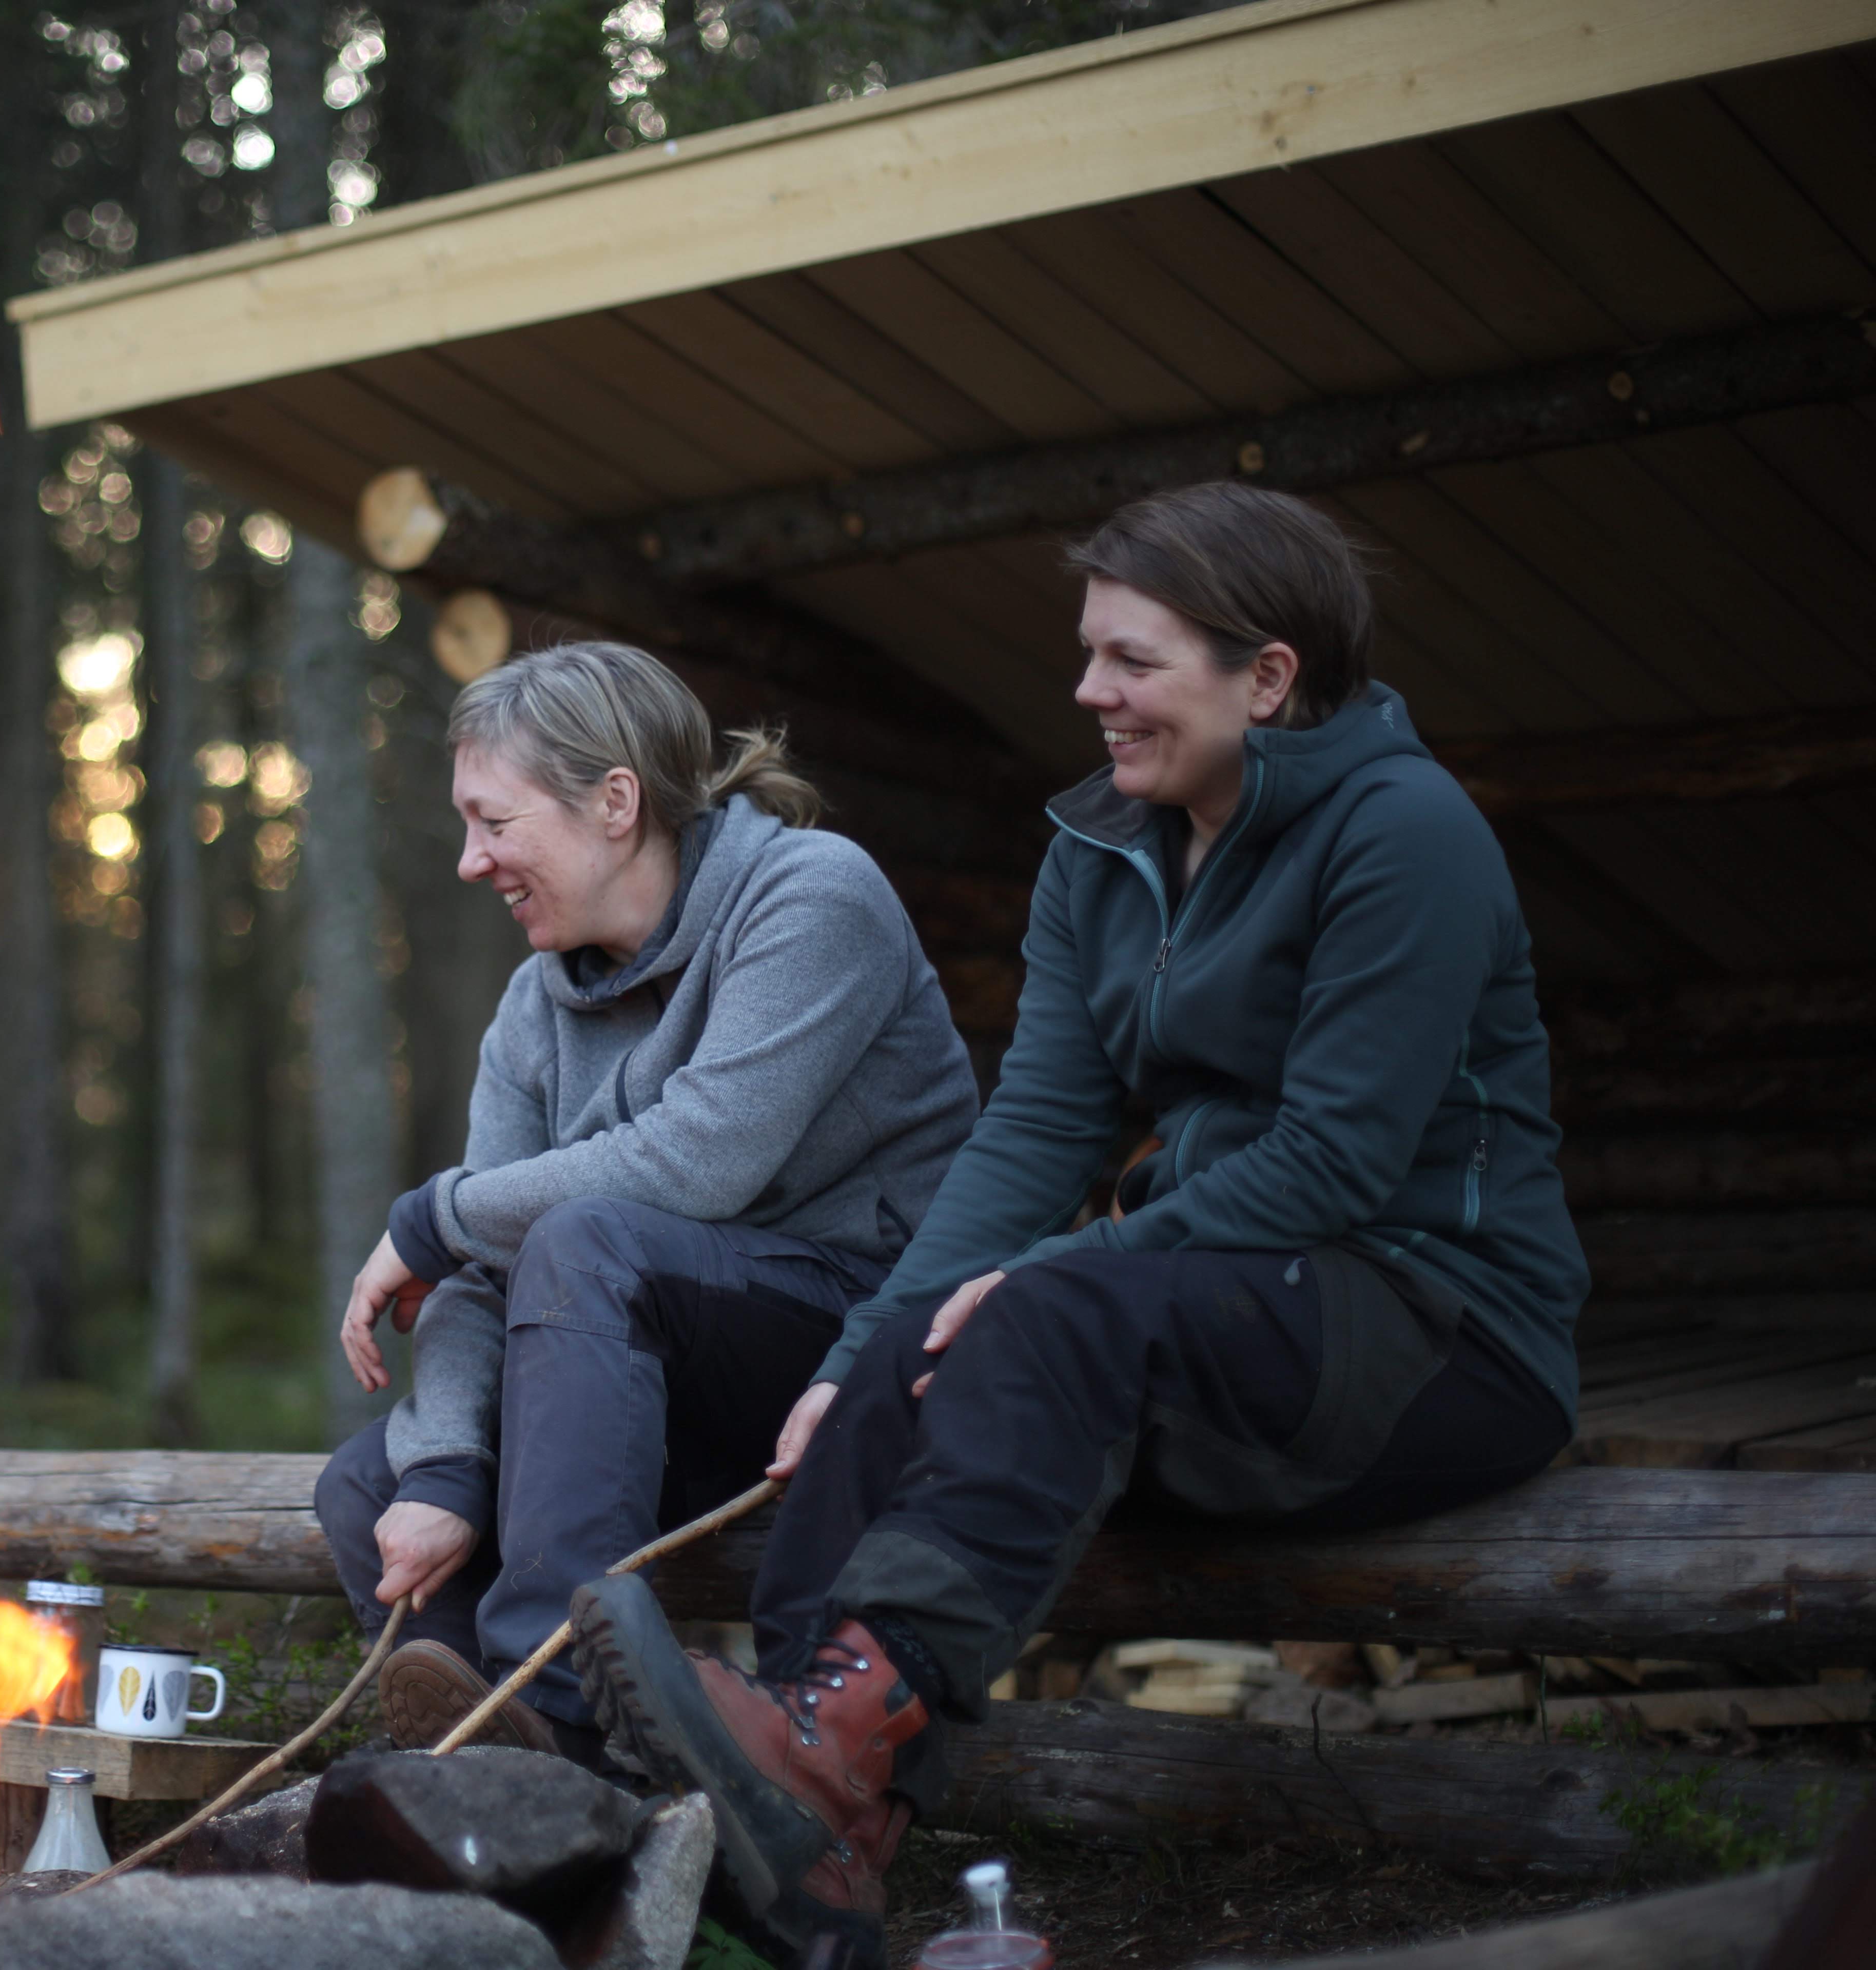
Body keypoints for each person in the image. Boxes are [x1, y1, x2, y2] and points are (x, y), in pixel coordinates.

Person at [568, 484, 1591, 1968]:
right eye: (1088, 653)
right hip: (1222, 1317)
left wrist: (1054, 1277)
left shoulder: (1404, 832)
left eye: (1130, 661)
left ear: (1269, 678)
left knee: (1044, 1310)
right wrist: (860, 1351)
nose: (1087, 692)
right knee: (906, 1354)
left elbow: (1336, 1163)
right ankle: (809, 1836)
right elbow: (1035, 1137)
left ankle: (832, 1754)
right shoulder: (1101, 846)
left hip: (1439, 1329)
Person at [316, 640, 981, 1765]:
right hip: (643, 1370)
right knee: (367, 1482)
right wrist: (446, 1472)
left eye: (496, 822)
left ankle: (558, 1725)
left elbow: (698, 1162)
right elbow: (487, 1262)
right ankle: (497, 1800)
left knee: (586, 1239)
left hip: (856, 1349)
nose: (473, 862)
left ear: (615, 802)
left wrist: (429, 1218)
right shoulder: (537, 1005)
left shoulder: (812, 897)